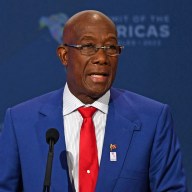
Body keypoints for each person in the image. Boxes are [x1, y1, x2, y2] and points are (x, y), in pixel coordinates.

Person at [0, 10, 187, 192]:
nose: (102, 58)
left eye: (111, 48)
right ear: (64, 55)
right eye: (88, 46)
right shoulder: (20, 121)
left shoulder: (152, 120)